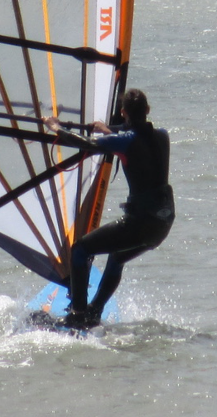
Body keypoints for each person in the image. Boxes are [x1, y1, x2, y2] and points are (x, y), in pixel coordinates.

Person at [42, 88, 173, 329]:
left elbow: (86, 143)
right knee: (117, 256)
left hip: (140, 223)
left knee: (80, 250)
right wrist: (108, 130)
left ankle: (78, 314)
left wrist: (56, 128)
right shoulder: (163, 136)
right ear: (147, 110)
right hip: (162, 223)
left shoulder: (124, 141)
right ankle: (94, 312)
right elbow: (136, 135)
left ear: (123, 113)